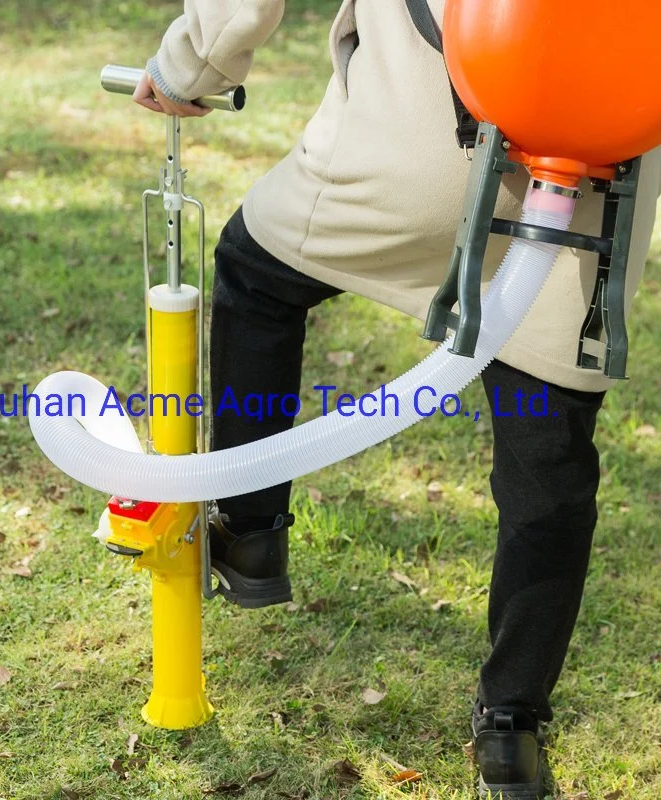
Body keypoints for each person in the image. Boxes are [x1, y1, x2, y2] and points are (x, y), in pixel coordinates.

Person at [132, 2, 661, 797]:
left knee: (255, 270)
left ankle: (249, 532)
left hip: (414, 143)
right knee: (547, 459)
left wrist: (189, 66)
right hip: (593, 176)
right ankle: (511, 727)